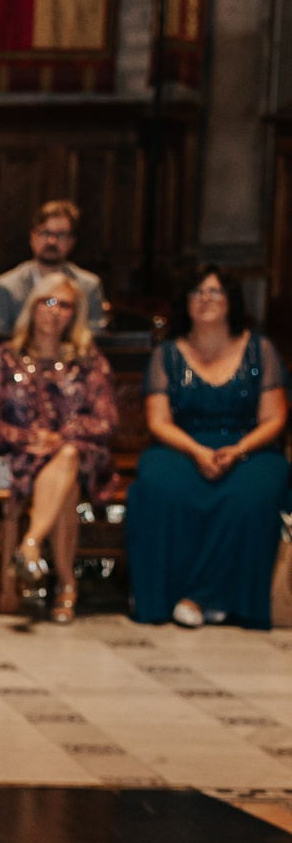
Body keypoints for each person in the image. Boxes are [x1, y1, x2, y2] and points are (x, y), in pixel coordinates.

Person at [126, 266, 289, 629]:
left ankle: (210, 596)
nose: (206, 300)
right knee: (158, 487)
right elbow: (158, 421)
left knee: (250, 494)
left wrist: (239, 450)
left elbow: (275, 419)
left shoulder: (259, 350)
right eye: (197, 293)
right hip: (181, 445)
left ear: (232, 301)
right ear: (185, 303)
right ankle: (163, 596)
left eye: (215, 292)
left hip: (250, 447)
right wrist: (197, 452)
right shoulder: (166, 355)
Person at [0, 274, 119, 624]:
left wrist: (63, 435)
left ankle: (31, 543)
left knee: (68, 457)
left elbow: (106, 421)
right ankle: (66, 584)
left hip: (82, 455)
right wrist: (30, 439)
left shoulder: (88, 360)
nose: (54, 312)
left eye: (64, 305)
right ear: (32, 306)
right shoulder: (4, 358)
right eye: (47, 302)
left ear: (74, 314)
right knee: (63, 479)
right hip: (19, 455)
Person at [0, 199, 108, 335]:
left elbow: (94, 340)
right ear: (32, 237)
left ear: (72, 242)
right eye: (45, 233)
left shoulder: (89, 286)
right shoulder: (6, 286)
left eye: (61, 234)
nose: (52, 241)